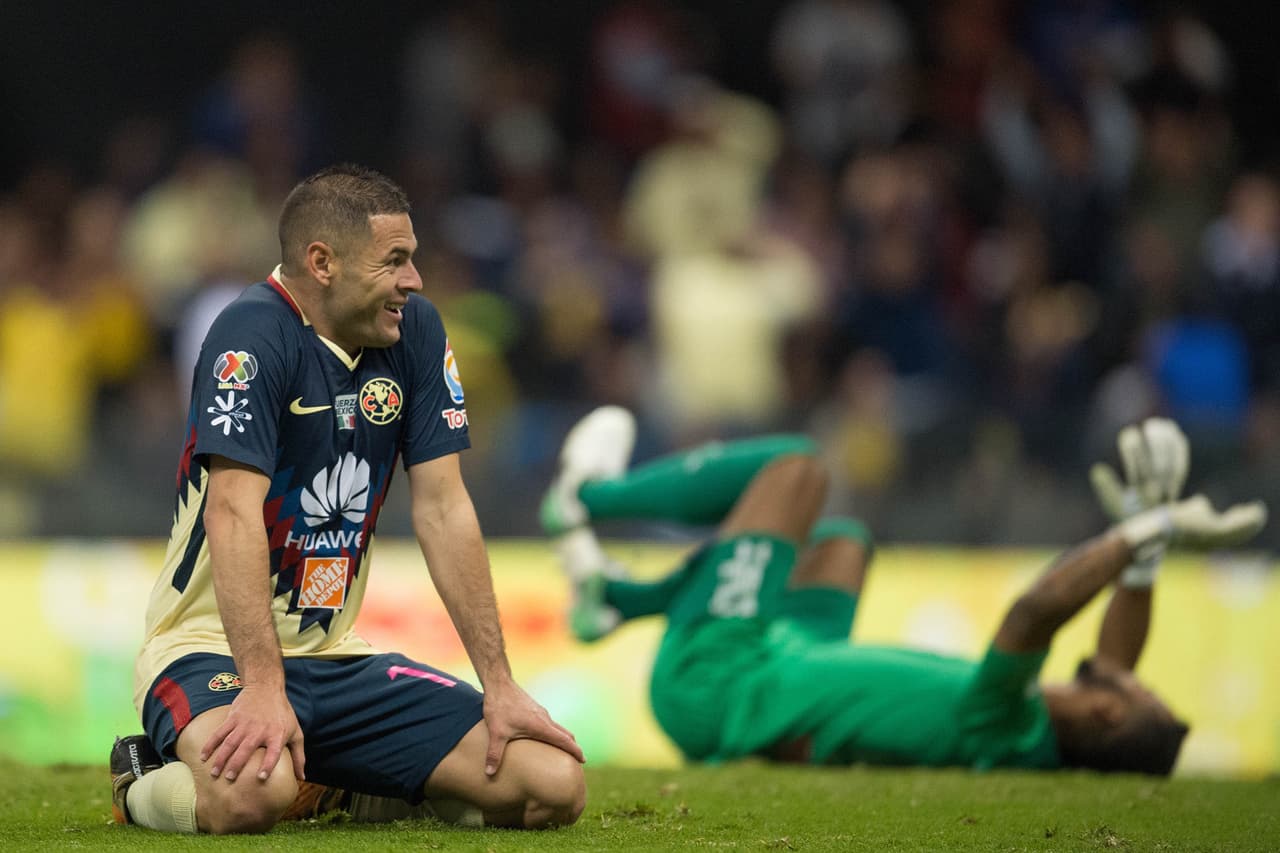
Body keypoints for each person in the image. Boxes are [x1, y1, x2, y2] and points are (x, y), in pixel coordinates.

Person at [111, 164, 585, 835]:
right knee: (251, 792)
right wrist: (263, 686)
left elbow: (444, 509)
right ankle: (138, 781)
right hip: (207, 650)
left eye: (412, 259)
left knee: (551, 786)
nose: (413, 280)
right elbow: (233, 510)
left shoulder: (415, 331)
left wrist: (501, 684)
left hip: (335, 656)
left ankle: (344, 785)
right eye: (395, 261)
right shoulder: (250, 334)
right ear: (322, 262)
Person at [540, 407, 1266, 773]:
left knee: (797, 470)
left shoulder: (1006, 720)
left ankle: (587, 497)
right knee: (843, 545)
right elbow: (1116, 657)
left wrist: (1145, 530)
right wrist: (1143, 555)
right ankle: (618, 598)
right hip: (783, 655)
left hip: (720, 684)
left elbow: (1033, 612)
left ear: (1107, 715)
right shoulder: (1031, 730)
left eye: (1138, 694)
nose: (1132, 680)